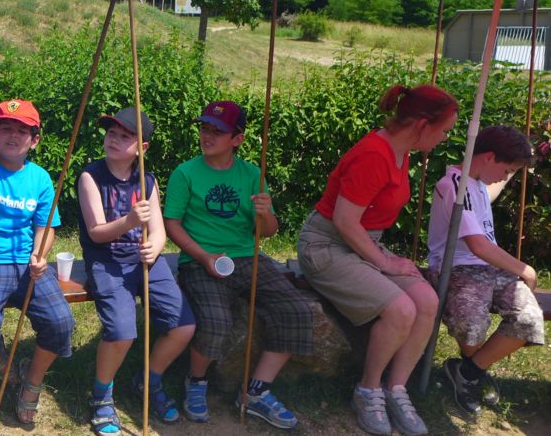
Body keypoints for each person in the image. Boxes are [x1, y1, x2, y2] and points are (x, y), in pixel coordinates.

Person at [298, 84, 458, 436]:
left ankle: (395, 389)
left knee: (427, 302)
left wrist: (384, 258)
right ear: (422, 125)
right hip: (326, 246)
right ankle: (368, 390)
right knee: (401, 309)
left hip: (360, 243)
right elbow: (344, 221)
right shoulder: (374, 154)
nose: (445, 138)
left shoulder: (401, 151)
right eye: (445, 130)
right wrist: (386, 264)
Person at [164, 100, 312, 430]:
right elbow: (172, 223)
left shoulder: (252, 175)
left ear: (237, 139)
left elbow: (268, 232)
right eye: (204, 128)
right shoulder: (185, 173)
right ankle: (196, 380)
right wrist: (203, 257)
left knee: (297, 310)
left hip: (247, 257)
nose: (207, 136)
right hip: (199, 261)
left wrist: (265, 214)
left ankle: (256, 391)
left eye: (218, 131)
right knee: (216, 322)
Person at [0, 99, 74, 426]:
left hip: (26, 262)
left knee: (61, 323)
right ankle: (3, 367)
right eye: (5, 128)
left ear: (34, 141)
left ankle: (31, 380)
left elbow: (46, 226)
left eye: (22, 131)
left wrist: (40, 254)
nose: (13, 135)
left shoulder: (40, 179)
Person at [77, 107, 195, 434]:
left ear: (141, 148)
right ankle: (101, 396)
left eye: (124, 136)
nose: (114, 139)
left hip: (144, 260)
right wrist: (129, 221)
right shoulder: (90, 177)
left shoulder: (147, 180)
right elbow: (96, 232)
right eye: (111, 133)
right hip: (107, 260)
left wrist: (154, 247)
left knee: (183, 326)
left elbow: (158, 231)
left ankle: (148, 380)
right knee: (122, 332)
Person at [428, 125, 543, 415]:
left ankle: (468, 372)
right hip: (458, 267)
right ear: (489, 157)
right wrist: (525, 269)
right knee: (471, 326)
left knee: (529, 319)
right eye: (507, 170)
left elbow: (492, 189)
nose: (505, 177)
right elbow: (477, 245)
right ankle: (474, 369)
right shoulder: (455, 186)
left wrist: (522, 158)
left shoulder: (479, 184)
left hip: (490, 269)